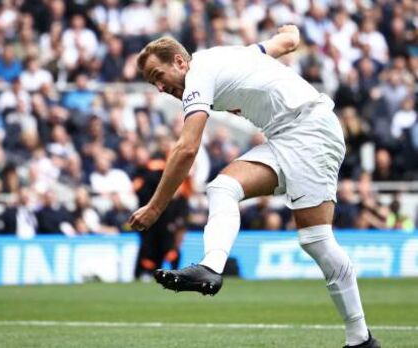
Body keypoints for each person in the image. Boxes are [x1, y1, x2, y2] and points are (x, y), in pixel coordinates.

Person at [128, 26, 379, 348]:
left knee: (316, 239)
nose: (160, 87)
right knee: (222, 188)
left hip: (311, 132)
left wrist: (155, 207)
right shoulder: (225, 57)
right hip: (287, 135)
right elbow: (278, 44)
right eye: (152, 83)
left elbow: (186, 149)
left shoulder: (198, 76)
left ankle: (360, 338)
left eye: (158, 75)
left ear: (179, 61)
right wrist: (290, 36)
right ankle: (210, 268)